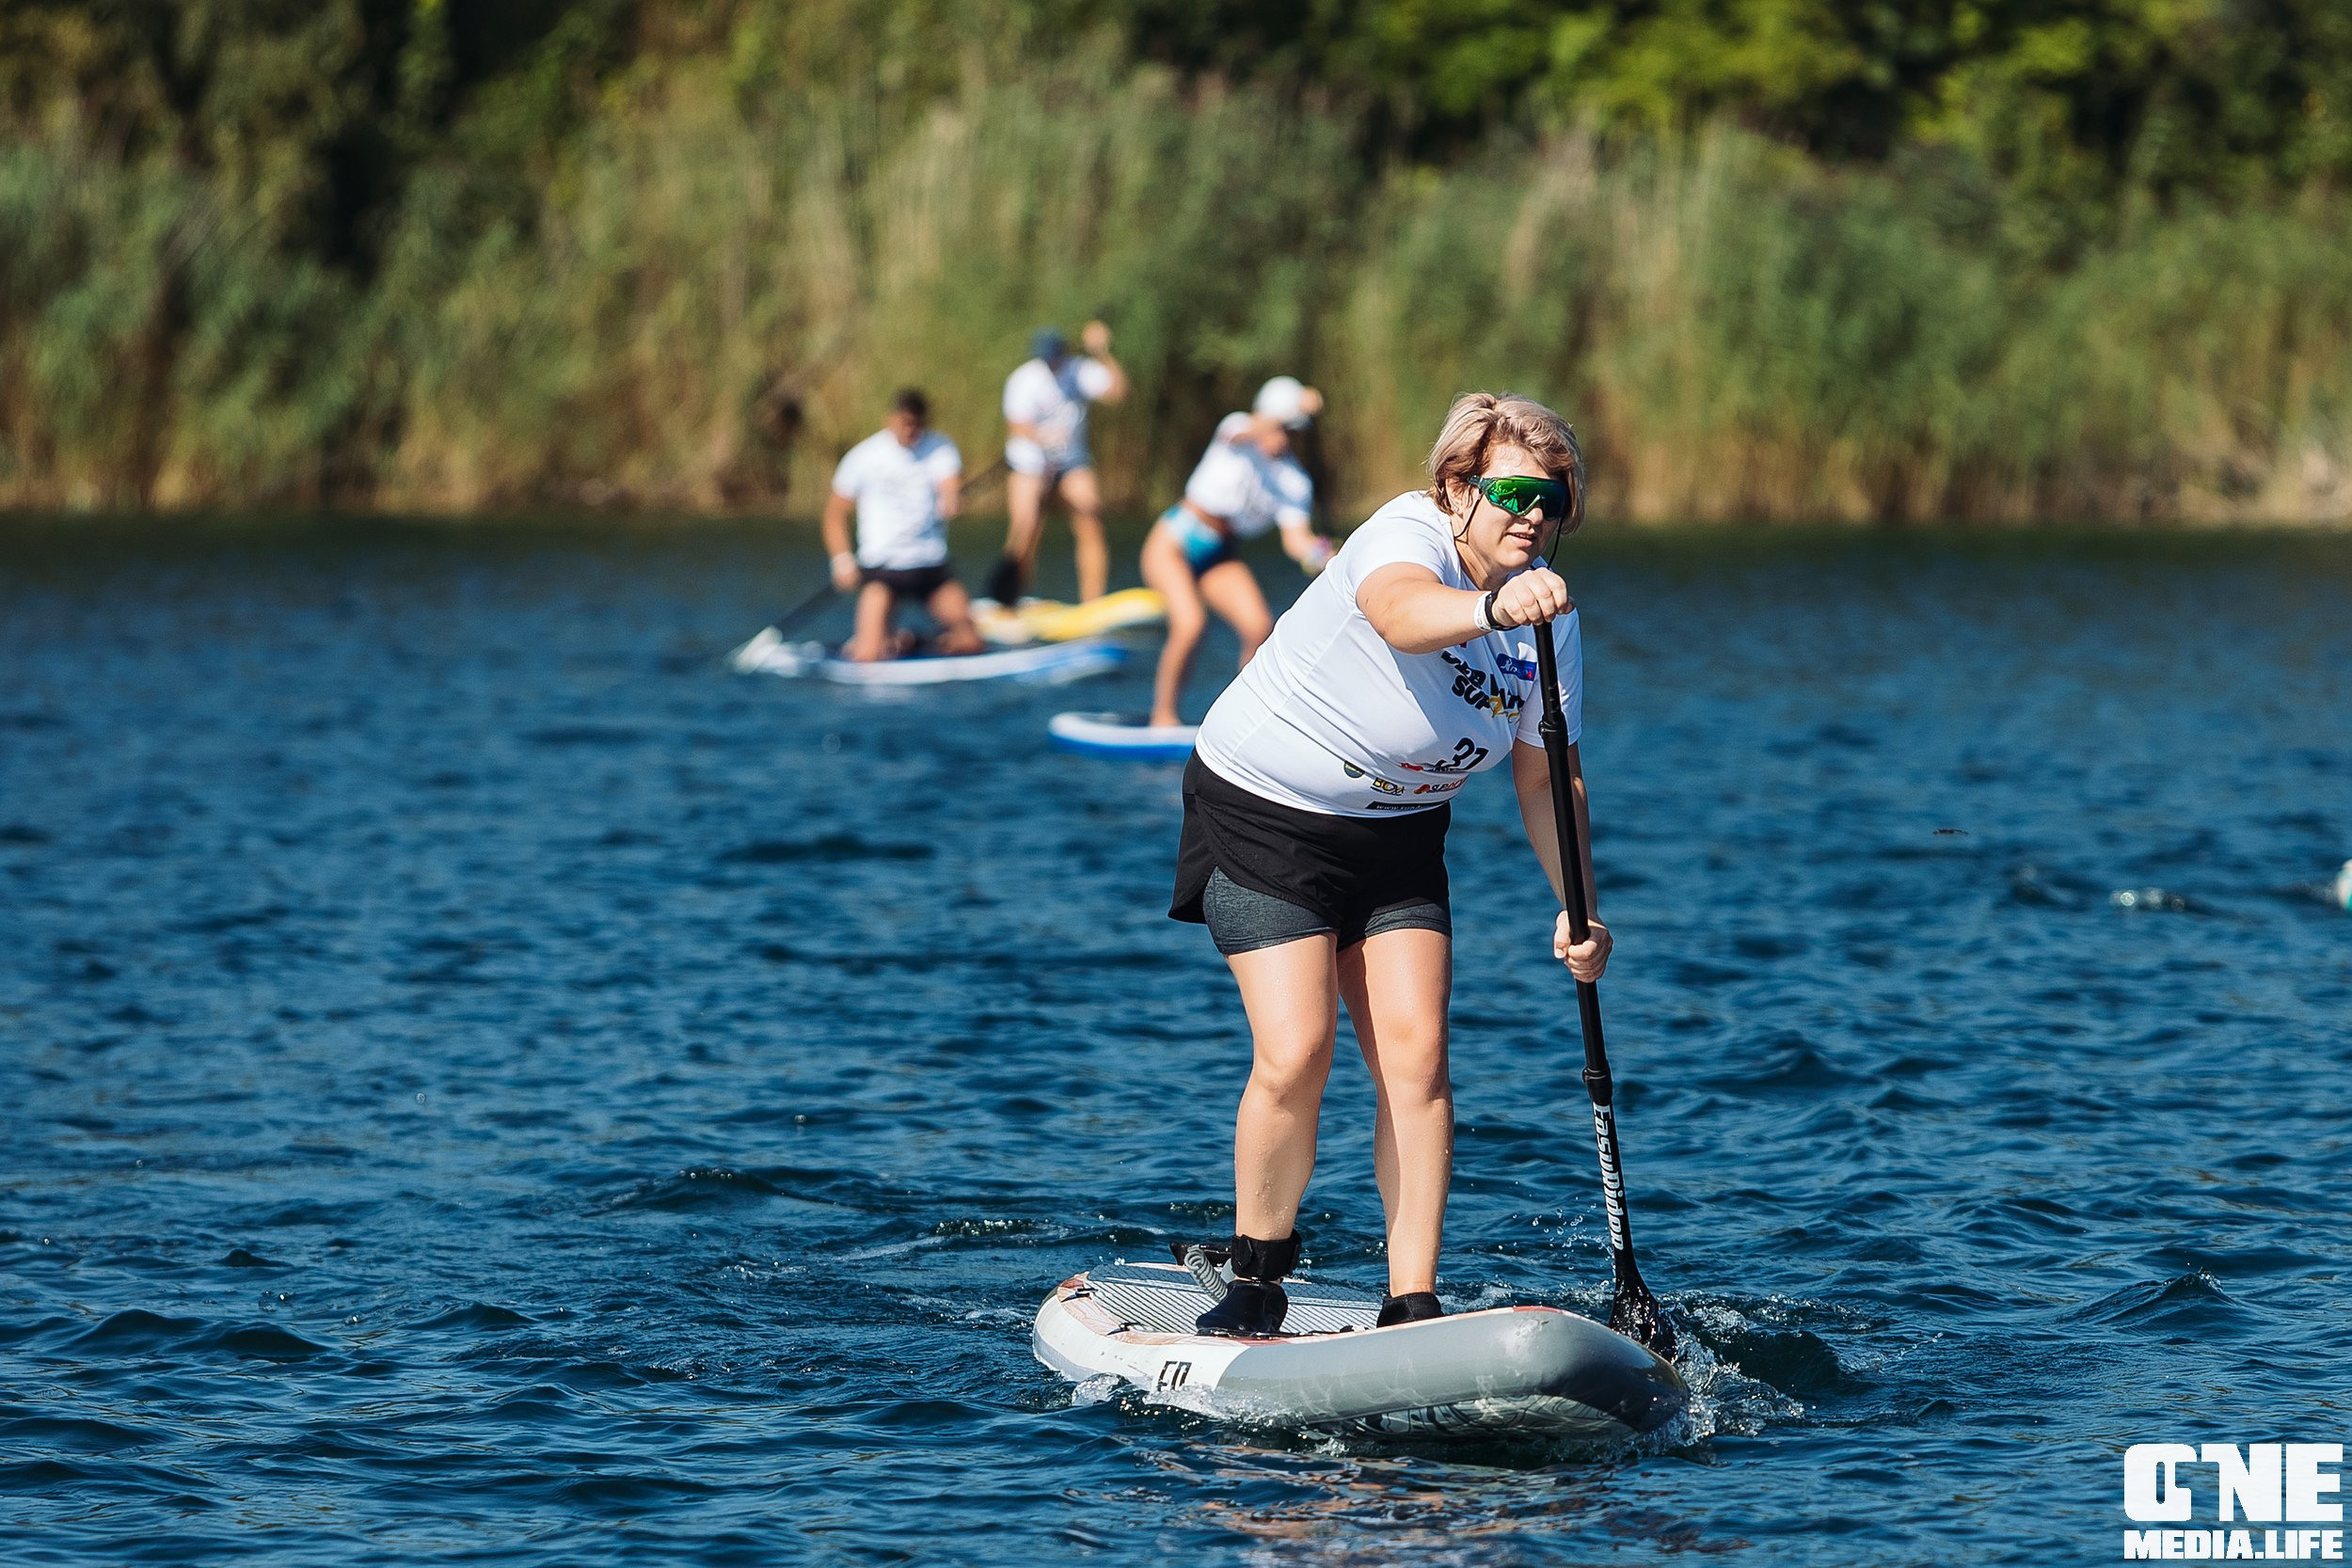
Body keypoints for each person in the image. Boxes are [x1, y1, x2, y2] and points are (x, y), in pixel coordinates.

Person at [1168, 391, 1612, 1336]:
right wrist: (1492, 602)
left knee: (1417, 1057)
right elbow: (1403, 615)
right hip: (1264, 811)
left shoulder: (1550, 622)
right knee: (1298, 1048)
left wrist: (1578, 907)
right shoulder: (1400, 537)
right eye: (1516, 491)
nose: (1536, 514)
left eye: (1557, 498)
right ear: (1457, 488)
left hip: (1401, 831)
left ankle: (1411, 1299)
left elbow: (1545, 780)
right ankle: (1255, 1274)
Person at [1140, 377, 1336, 728]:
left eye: (1294, 431)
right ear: (1266, 416)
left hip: (1221, 554)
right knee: (1190, 623)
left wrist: (1329, 559)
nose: (1286, 438)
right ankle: (1163, 717)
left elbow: (1297, 541)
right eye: (1283, 427)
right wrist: (1293, 407)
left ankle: (1240, 724)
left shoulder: (1294, 480)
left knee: (1259, 626)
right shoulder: (1235, 431)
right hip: (1175, 540)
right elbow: (1248, 430)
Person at [821, 388, 983, 662]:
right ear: (890, 420)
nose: (911, 430)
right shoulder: (864, 457)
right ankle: (881, 639)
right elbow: (834, 515)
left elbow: (950, 486)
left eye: (917, 424)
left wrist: (952, 501)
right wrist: (842, 561)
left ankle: (908, 640)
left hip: (930, 566)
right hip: (883, 569)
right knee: (867, 657)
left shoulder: (940, 447)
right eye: (905, 423)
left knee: (971, 643)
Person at [987, 322, 1129, 606]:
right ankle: (1008, 602)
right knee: (1025, 532)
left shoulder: (1080, 371)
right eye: (1046, 357)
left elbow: (1118, 393)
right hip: (1030, 465)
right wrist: (1043, 438)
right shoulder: (1023, 380)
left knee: (1091, 518)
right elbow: (1018, 426)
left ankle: (1092, 604)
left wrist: (1101, 353)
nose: (1051, 362)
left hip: (1071, 464)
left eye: (1055, 356)